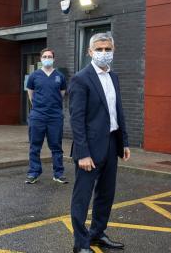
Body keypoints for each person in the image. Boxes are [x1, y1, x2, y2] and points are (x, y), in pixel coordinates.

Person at [69, 33, 130, 252]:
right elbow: (76, 120)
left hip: (112, 144)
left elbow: (117, 112)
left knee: (106, 195)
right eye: (99, 49)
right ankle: (81, 243)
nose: (104, 53)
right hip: (89, 149)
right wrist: (83, 153)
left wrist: (124, 142)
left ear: (113, 50)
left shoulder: (114, 77)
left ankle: (97, 234)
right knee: (82, 198)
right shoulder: (81, 78)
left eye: (108, 49)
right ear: (90, 52)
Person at [25, 48, 68, 184]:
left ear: (54, 59)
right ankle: (34, 173)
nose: (47, 58)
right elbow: (30, 94)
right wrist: (39, 106)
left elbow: (61, 94)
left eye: (49, 56)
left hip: (55, 116)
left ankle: (58, 173)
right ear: (41, 59)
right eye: (45, 56)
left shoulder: (59, 76)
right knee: (35, 145)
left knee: (56, 146)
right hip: (38, 116)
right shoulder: (34, 76)